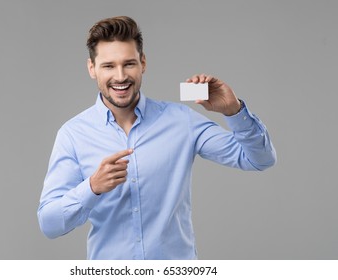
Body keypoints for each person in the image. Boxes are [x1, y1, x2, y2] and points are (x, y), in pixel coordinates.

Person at [37, 16, 276, 260]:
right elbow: (50, 224)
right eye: (108, 66)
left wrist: (233, 110)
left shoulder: (181, 120)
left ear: (143, 63)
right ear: (92, 68)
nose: (120, 77)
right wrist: (92, 188)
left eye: (128, 64)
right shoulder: (73, 134)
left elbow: (260, 159)